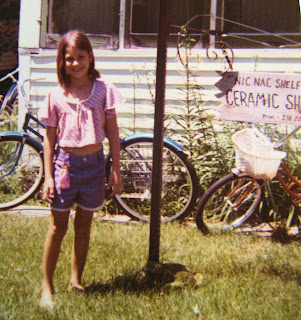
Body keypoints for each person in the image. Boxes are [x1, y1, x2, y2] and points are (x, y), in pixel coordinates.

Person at [38, 30, 124, 309]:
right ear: (61, 62)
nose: (75, 63)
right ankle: (46, 286)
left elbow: (112, 132)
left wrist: (115, 170)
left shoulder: (103, 90)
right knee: (57, 227)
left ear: (90, 57)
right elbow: (49, 139)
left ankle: (76, 280)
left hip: (95, 167)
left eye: (81, 57)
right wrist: (48, 176)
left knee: (84, 226)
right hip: (65, 167)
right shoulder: (56, 96)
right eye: (69, 58)